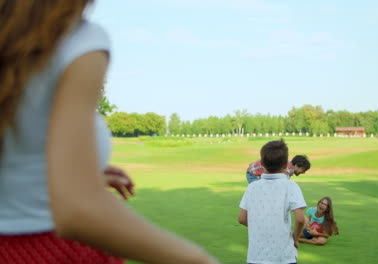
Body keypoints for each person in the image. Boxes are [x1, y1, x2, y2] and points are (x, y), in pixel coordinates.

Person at [0, 1, 218, 263]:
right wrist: (198, 260)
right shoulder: (80, 39)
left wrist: (77, 176)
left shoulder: (9, 36)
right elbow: (75, 212)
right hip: (58, 250)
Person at [238, 139, 306, 264]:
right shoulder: (291, 186)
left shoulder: (252, 187)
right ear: (286, 164)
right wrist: (295, 238)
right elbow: (300, 219)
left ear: (262, 163)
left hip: (255, 256)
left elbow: (242, 218)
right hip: (284, 257)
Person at [246, 154, 311, 183]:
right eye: (303, 170)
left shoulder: (289, 164)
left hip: (253, 172)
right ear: (296, 165)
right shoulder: (287, 170)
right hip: (254, 175)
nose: (303, 172)